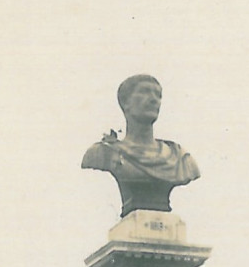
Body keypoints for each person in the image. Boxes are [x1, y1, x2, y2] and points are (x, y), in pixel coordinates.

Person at [82, 75, 200, 216]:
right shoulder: (104, 153)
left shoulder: (179, 158)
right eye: (144, 91)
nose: (153, 99)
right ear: (125, 102)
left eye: (158, 95)